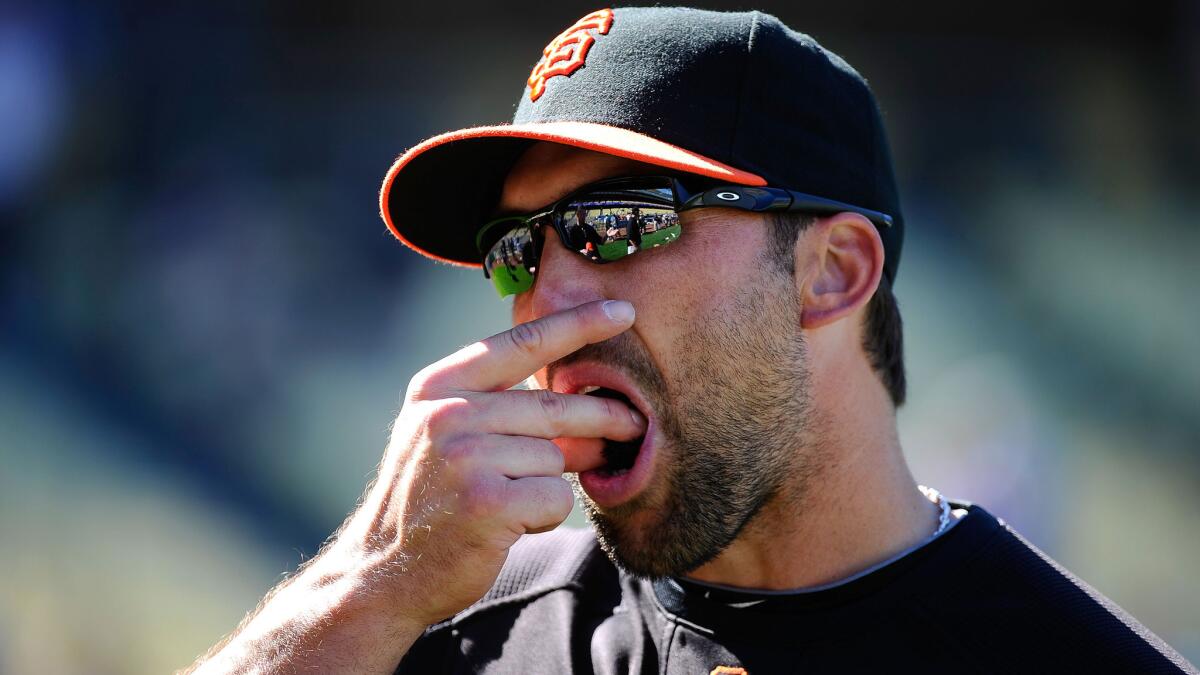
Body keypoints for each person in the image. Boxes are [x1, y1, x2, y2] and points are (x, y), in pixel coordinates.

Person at [188, 7, 1197, 674]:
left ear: (832, 273)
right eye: (515, 249)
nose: (549, 292)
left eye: (621, 223)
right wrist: (366, 585)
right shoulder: (436, 627)